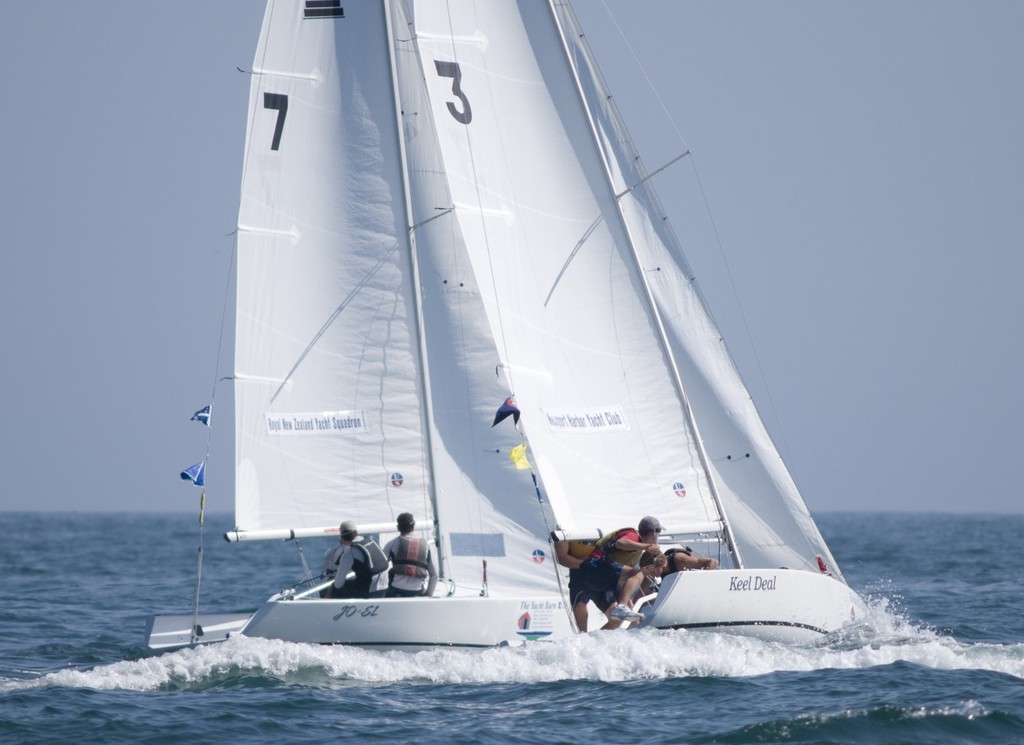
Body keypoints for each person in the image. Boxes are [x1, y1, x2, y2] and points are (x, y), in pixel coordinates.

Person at [576, 515, 663, 623]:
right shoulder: (633, 535)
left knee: (627, 620)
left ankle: (623, 611)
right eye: (659, 531)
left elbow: (626, 582)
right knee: (637, 573)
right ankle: (621, 607)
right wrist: (646, 547)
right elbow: (620, 543)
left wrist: (630, 606)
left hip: (596, 575)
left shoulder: (636, 549)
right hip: (593, 568)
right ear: (653, 532)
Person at [554, 538, 612, 631]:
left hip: (601, 572)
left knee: (617, 618)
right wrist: (588, 565)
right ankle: (585, 637)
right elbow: (561, 557)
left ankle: (593, 639)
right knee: (582, 626)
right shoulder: (564, 530)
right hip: (579, 574)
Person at [323, 520, 390, 599]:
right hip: (384, 588)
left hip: (369, 591)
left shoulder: (349, 553)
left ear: (342, 537)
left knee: (333, 588)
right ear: (356, 532)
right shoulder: (371, 541)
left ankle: (326, 606)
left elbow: (338, 584)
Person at [382, 512, 438, 598]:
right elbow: (434, 575)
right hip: (417, 591)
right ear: (413, 526)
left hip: (396, 590)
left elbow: (381, 568)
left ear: (398, 527)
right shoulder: (426, 545)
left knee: (391, 572)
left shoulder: (392, 544)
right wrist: (428, 594)